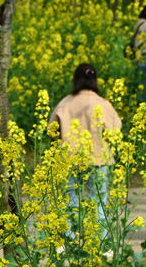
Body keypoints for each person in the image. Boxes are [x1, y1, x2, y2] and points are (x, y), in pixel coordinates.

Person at [49, 63, 123, 241]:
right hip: (97, 160)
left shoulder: (65, 103)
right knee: (99, 204)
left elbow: (51, 131)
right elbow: (115, 130)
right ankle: (100, 245)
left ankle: (69, 243)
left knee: (70, 204)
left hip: (69, 160)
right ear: (94, 81)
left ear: (75, 80)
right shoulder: (101, 103)